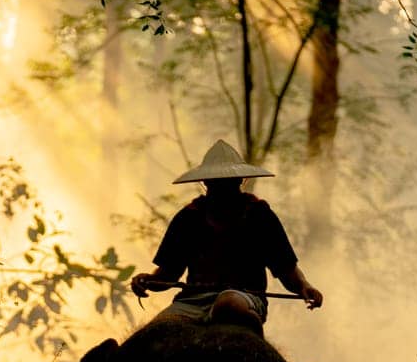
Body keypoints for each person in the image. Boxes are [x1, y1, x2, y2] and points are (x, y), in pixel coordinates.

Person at [130, 140, 323, 330]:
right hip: (192, 302)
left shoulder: (259, 215)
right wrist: (147, 281)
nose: (223, 190)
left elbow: (285, 267)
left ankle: (252, 330)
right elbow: (168, 273)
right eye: (217, 184)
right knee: (158, 329)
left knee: (228, 303)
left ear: (240, 181)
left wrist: (303, 286)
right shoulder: (188, 217)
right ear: (205, 183)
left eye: (228, 183)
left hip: (244, 299)